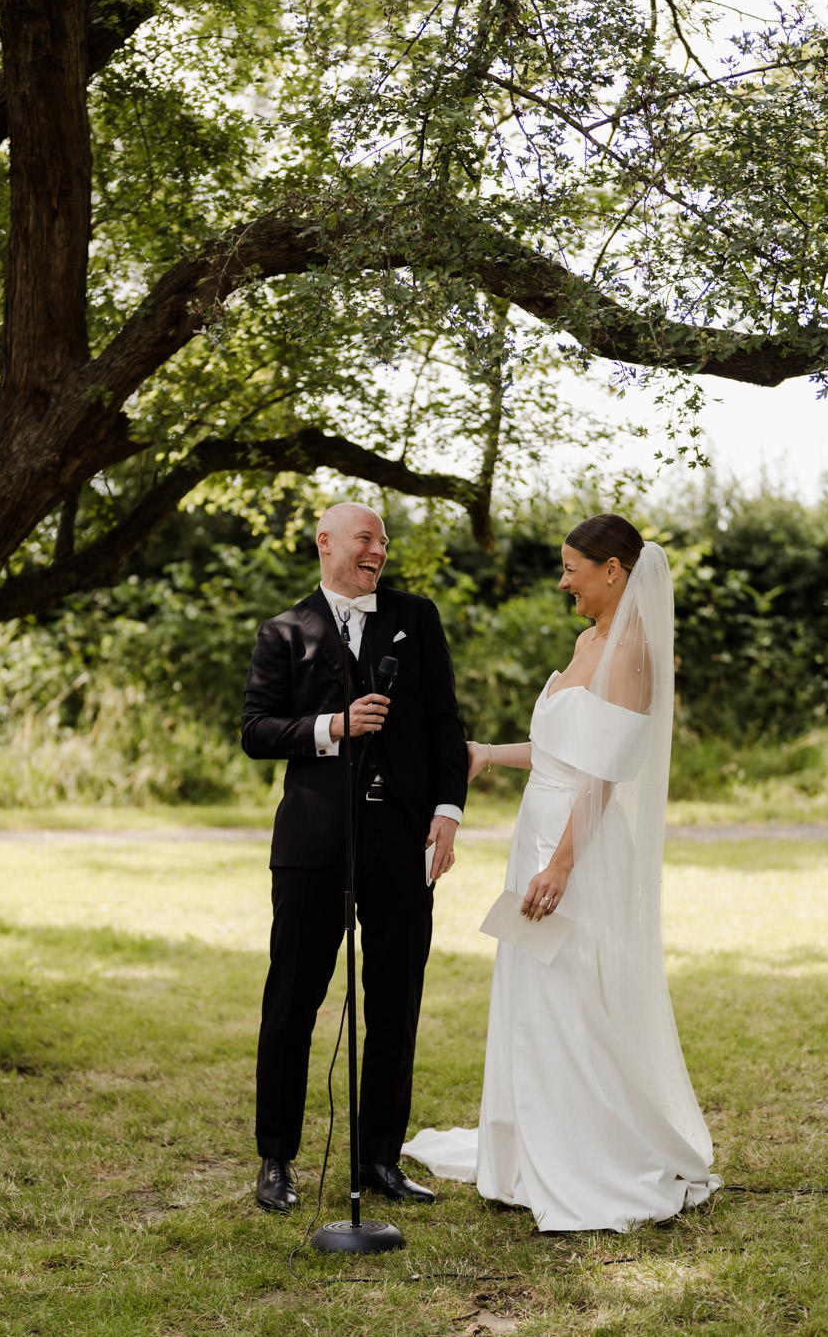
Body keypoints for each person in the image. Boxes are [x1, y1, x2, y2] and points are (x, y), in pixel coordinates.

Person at [404, 514, 721, 1232]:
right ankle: (530, 1144)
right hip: (539, 830)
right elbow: (562, 749)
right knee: (534, 992)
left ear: (614, 570)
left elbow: (607, 772)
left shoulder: (637, 650)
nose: (562, 580)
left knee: (574, 992)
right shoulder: (587, 641)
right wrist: (490, 753)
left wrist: (564, 861)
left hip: (579, 845)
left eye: (572, 566)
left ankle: (589, 1151)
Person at [241, 501, 469, 1212]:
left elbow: (444, 722)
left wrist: (447, 811)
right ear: (327, 543)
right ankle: (277, 1159)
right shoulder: (283, 631)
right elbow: (256, 729)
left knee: (395, 1001)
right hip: (313, 841)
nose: (379, 549)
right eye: (367, 538)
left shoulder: (417, 616)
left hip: (401, 838)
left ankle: (379, 1160)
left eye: (384, 539)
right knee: (293, 998)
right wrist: (333, 727)